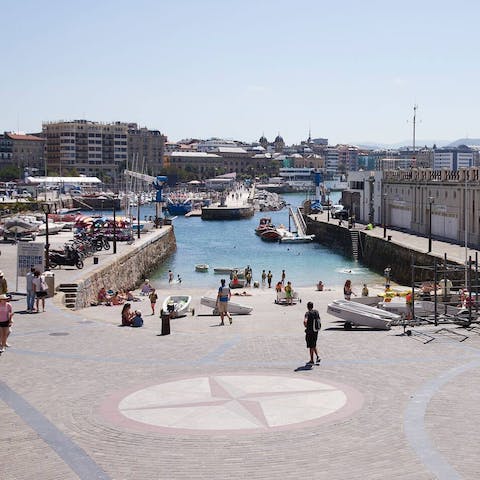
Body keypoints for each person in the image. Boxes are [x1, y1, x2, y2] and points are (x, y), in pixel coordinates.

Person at [303, 301, 321, 365]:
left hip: (310, 332)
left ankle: (312, 360)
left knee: (311, 346)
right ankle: (318, 357)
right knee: (314, 344)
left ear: (307, 307)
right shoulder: (316, 312)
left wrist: (306, 326)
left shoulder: (307, 313)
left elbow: (305, 321)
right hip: (316, 331)